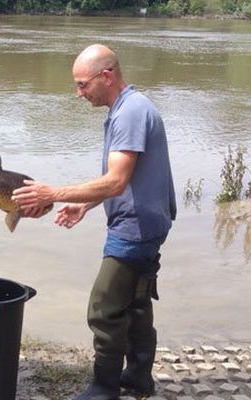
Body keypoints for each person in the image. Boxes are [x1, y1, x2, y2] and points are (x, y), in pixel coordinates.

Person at [12, 44, 176, 400]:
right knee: (134, 302)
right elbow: (127, 179)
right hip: (149, 222)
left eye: (83, 84)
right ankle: (138, 378)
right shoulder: (131, 107)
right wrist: (83, 205)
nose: (79, 93)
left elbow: (117, 180)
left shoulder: (129, 113)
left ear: (107, 75)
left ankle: (104, 387)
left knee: (103, 310)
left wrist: (53, 193)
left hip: (135, 228)